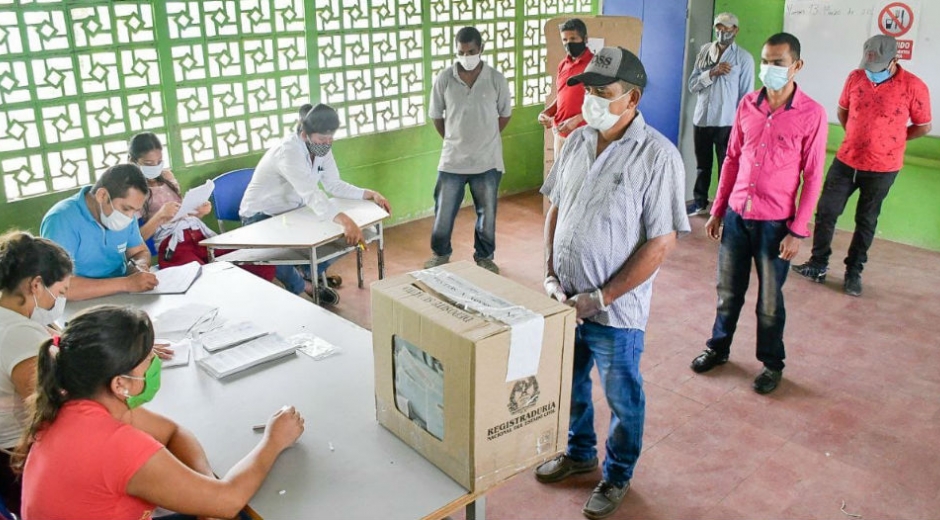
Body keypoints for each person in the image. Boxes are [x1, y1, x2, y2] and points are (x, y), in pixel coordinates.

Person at [534, 47, 690, 520]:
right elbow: (555, 208)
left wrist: (602, 297)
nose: (592, 102)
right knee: (572, 384)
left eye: (604, 93)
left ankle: (617, 473)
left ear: (633, 97)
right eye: (588, 92)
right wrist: (549, 272)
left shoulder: (659, 157)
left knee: (622, 395)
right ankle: (579, 452)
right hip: (565, 299)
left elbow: (661, 244)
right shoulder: (579, 140)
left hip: (615, 312)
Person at [15, 305, 305, 519]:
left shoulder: (75, 403)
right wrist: (273, 441)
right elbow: (228, 502)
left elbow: (173, 431)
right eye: (148, 359)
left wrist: (203, 484)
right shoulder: (115, 443)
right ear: (120, 383)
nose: (155, 364)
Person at [690, 33, 827, 395]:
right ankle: (717, 348)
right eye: (766, 61)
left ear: (797, 66)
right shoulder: (748, 104)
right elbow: (732, 159)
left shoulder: (812, 114)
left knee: (769, 300)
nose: (769, 69)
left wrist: (797, 231)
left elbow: (813, 177)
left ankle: (771, 364)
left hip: (775, 223)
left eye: (778, 63)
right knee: (727, 291)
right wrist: (717, 210)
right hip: (737, 216)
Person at [792, 35, 932, 296]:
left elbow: (924, 126)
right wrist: (856, 136)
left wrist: (893, 140)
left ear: (894, 60)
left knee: (865, 220)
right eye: (869, 67)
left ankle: (853, 272)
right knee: (826, 211)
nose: (871, 73)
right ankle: (818, 264)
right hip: (846, 160)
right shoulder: (855, 77)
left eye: (877, 68)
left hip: (883, 168)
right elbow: (843, 110)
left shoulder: (913, 86)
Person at [239, 103, 391, 304]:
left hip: (294, 213)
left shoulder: (322, 148)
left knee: (355, 235)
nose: (327, 144)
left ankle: (306, 271)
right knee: (273, 253)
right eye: (322, 138)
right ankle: (306, 286)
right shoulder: (288, 151)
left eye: (330, 138)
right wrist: (346, 221)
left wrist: (368, 194)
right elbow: (312, 194)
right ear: (305, 134)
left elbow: (334, 184)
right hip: (260, 216)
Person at [426, 26, 512, 274]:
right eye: (461, 52)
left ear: (481, 49)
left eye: (471, 51)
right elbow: (436, 116)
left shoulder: (496, 79)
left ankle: (484, 257)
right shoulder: (444, 78)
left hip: (487, 160)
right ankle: (440, 254)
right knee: (443, 214)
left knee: (487, 216)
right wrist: (454, 138)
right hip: (452, 160)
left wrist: (486, 136)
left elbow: (505, 114)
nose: (466, 56)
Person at [0, 232, 72, 516]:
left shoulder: (12, 314)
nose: (60, 301)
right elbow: (48, 406)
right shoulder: (18, 333)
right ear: (36, 285)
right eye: (61, 292)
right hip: (18, 460)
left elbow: (57, 338)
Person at [40, 164, 159, 300]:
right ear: (102, 195)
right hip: (77, 304)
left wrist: (139, 265)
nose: (130, 217)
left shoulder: (125, 217)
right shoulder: (61, 220)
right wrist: (126, 283)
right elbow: (59, 285)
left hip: (122, 296)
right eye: (126, 208)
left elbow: (140, 252)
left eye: (135, 211)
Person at [686, 12, 754, 216]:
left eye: (726, 28)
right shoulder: (705, 52)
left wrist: (742, 126)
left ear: (736, 30)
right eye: (718, 27)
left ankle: (724, 208)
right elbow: (692, 85)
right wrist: (711, 72)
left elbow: (746, 96)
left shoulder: (743, 58)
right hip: (702, 119)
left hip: (727, 123)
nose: (721, 31)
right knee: (702, 166)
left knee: (728, 168)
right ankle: (699, 203)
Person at [130, 132, 214, 267]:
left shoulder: (167, 177)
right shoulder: (132, 191)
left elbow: (182, 216)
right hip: (172, 244)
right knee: (199, 271)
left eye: (159, 162)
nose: (155, 167)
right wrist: (160, 216)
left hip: (197, 234)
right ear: (133, 161)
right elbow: (135, 239)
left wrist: (200, 212)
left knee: (236, 259)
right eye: (148, 163)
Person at [538, 18, 594, 158]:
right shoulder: (563, 64)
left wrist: (577, 119)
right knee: (561, 178)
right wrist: (548, 112)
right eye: (565, 40)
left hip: (584, 137)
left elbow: (603, 102)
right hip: (560, 135)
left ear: (585, 39)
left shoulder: (595, 65)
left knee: (580, 178)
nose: (569, 44)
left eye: (573, 38)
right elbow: (562, 95)